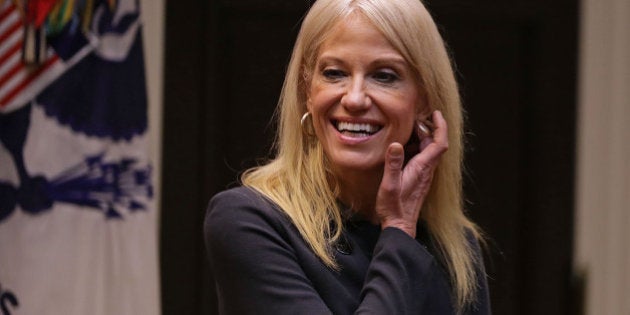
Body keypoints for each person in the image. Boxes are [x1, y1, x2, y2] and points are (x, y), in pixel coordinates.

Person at [204, 0, 491, 314]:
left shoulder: (455, 247)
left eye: (384, 76)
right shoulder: (248, 221)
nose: (354, 98)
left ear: (423, 99)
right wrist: (397, 228)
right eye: (334, 73)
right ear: (307, 90)